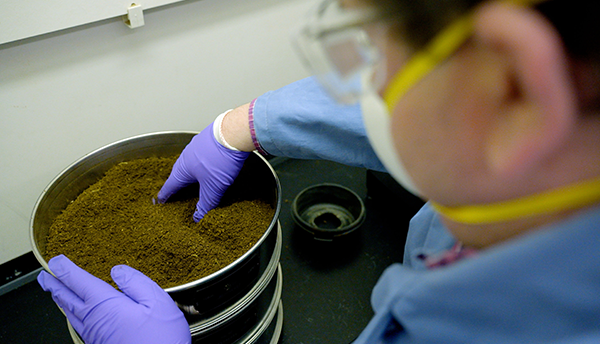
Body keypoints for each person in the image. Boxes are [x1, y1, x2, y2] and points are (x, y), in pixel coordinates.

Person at [37, 0, 600, 342]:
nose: (359, 89)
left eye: (373, 55)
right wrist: (239, 126)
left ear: (518, 89)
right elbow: (450, 125)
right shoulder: (522, 194)